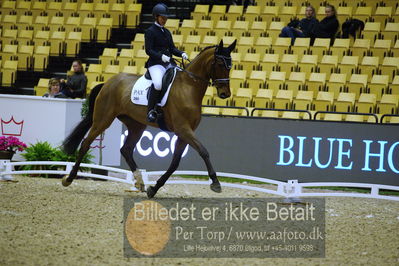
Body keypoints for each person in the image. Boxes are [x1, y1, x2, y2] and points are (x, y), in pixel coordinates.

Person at [144, 3, 188, 122]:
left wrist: (181, 53)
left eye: (166, 18)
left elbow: (172, 48)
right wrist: (161, 56)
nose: (164, 20)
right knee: (158, 84)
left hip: (168, 63)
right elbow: (148, 50)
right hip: (155, 64)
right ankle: (151, 111)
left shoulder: (167, 32)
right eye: (162, 18)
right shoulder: (150, 31)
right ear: (156, 17)